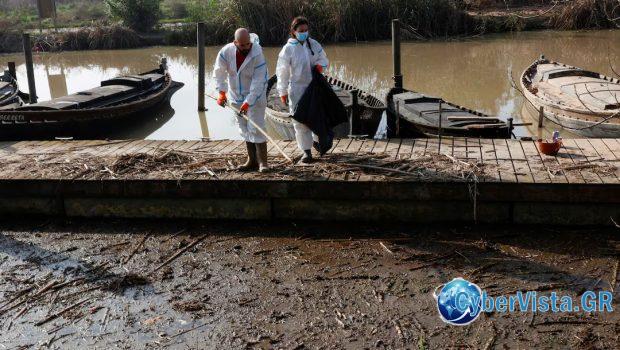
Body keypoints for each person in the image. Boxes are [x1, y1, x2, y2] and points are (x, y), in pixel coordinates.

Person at [213, 28, 269, 172]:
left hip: (255, 96)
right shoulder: (226, 52)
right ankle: (251, 161)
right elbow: (219, 72)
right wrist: (221, 93)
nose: (246, 48)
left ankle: (263, 163)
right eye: (242, 45)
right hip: (236, 95)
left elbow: (258, 82)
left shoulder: (257, 53)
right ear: (235, 42)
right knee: (244, 127)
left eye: (248, 44)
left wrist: (248, 102)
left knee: (257, 127)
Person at [276, 16, 329, 164]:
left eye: (306, 30)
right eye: (301, 31)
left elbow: (324, 59)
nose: (304, 33)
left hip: (314, 87)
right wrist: (283, 91)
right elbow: (282, 72)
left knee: (317, 116)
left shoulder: (313, 44)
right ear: (293, 32)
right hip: (297, 89)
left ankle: (318, 143)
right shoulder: (288, 49)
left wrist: (320, 66)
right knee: (300, 121)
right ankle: (306, 152)